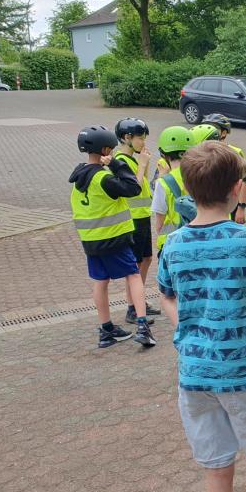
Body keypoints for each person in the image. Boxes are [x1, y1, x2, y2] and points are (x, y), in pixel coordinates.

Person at [157, 141, 246, 492]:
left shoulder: (174, 245)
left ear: (188, 190)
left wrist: (185, 320)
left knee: (217, 470)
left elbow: (165, 295)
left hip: (196, 375)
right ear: (236, 189)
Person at [69, 125, 156, 348]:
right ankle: (143, 326)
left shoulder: (79, 179)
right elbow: (132, 188)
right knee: (134, 276)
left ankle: (106, 330)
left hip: (91, 241)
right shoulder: (103, 179)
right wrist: (116, 163)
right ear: (106, 149)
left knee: (101, 281)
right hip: (113, 238)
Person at [114, 118, 162, 325]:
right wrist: (143, 164)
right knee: (134, 264)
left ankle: (138, 299)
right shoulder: (121, 160)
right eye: (140, 138)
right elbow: (133, 186)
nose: (143, 142)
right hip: (132, 218)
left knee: (146, 259)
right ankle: (132, 307)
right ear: (127, 138)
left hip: (142, 215)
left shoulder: (132, 158)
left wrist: (144, 162)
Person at [201, 114, 246, 224]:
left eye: (213, 128)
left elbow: (244, 181)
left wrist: (241, 208)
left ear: (224, 132)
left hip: (229, 206)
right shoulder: (199, 152)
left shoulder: (235, 153)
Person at [152, 126, 193, 257]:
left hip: (172, 244)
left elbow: (159, 226)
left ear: (163, 154)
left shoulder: (163, 182)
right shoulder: (203, 175)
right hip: (199, 240)